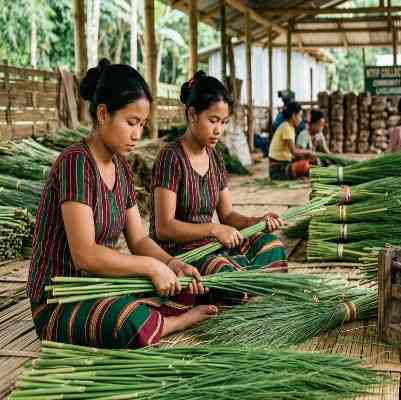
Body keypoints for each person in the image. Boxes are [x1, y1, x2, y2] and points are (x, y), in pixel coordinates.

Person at [26, 59, 216, 349]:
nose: (137, 134)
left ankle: (155, 315)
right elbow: (85, 255)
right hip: (61, 299)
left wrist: (172, 263)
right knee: (126, 319)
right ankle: (172, 323)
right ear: (103, 113)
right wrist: (150, 267)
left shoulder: (122, 168)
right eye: (131, 122)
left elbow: (138, 239)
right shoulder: (76, 164)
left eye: (142, 124)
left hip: (101, 288)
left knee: (186, 288)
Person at [151, 71, 287, 280]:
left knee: (272, 245)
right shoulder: (171, 157)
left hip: (209, 244)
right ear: (192, 115)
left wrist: (257, 221)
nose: (219, 130)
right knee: (223, 271)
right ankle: (246, 288)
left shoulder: (215, 158)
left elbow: (228, 216)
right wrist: (214, 229)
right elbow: (164, 228)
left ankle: (246, 287)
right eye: (213, 120)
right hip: (178, 252)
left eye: (223, 122)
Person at [268, 101, 315, 180]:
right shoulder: (286, 127)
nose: (300, 119)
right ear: (293, 115)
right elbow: (294, 151)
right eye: (299, 116)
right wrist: (308, 152)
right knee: (304, 166)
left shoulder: (290, 128)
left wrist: (306, 155)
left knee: (308, 162)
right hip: (278, 170)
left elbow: (293, 153)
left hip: (284, 164)